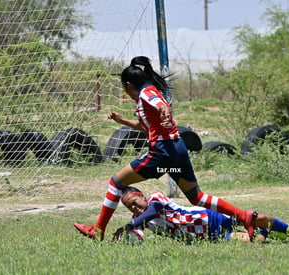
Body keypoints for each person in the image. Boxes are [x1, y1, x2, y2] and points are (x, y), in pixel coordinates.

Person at [73, 56, 277, 241]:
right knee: (197, 196)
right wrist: (122, 120)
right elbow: (146, 126)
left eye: (123, 87)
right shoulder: (145, 96)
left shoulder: (147, 92)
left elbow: (161, 104)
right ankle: (244, 216)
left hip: (161, 151)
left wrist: (164, 109)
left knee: (116, 181)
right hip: (177, 148)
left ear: (127, 85)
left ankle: (98, 229)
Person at [112, 186, 289, 243]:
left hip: (210, 217)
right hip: (207, 236)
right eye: (130, 208)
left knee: (255, 218)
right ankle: (270, 233)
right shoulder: (139, 222)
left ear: (141, 195)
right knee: (251, 241)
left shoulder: (156, 198)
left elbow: (152, 212)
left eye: (135, 203)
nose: (135, 209)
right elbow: (136, 236)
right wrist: (123, 235)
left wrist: (132, 224)